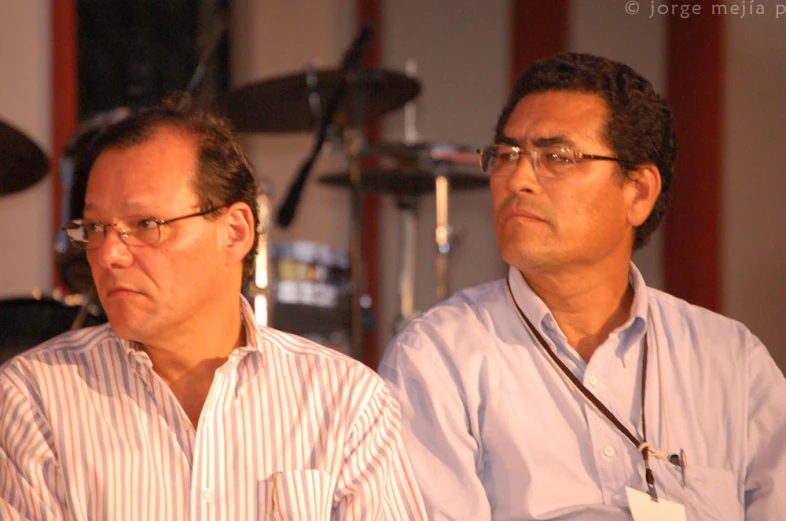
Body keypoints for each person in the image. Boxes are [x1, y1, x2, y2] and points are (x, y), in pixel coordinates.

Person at [378, 52, 786, 520]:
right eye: (508, 155)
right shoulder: (440, 358)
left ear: (639, 191)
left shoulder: (729, 360)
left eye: (557, 157)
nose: (519, 179)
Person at [0, 98, 426, 520]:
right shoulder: (36, 397)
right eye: (94, 228)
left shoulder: (345, 401)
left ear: (234, 232)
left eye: (145, 225)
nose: (108, 254)